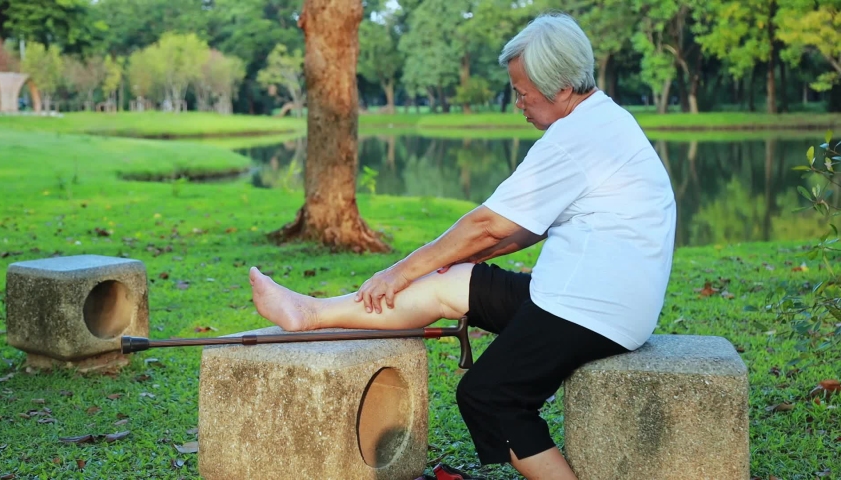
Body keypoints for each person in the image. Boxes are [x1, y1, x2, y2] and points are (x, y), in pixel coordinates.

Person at [249, 12, 676, 480]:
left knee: (490, 395)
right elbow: (525, 228)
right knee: (446, 283)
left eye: (520, 91)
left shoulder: (575, 140)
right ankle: (311, 314)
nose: (518, 103)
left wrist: (401, 270)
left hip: (592, 310)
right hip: (596, 298)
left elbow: (487, 224)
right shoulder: (602, 120)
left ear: (557, 87)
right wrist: (463, 258)